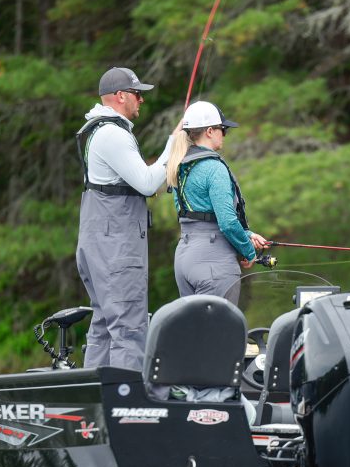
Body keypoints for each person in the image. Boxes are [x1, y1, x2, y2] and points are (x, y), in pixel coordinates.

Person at [75, 66, 178, 370]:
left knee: (104, 326)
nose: (140, 100)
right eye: (136, 94)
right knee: (129, 327)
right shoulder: (112, 134)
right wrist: (172, 149)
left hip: (99, 242)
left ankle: (95, 402)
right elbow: (147, 183)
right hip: (116, 248)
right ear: (120, 96)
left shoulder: (98, 130)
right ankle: (127, 409)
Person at [166, 101, 269, 306]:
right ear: (210, 131)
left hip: (184, 257)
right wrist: (250, 252)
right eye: (223, 129)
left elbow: (201, 217)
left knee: (195, 333)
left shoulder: (181, 165)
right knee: (218, 334)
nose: (224, 134)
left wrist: (247, 235)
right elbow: (227, 222)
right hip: (213, 262)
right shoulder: (214, 168)